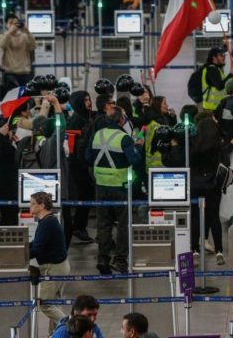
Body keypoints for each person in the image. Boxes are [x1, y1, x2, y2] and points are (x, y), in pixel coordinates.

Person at [162, 115, 233, 266]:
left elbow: (184, 161)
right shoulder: (218, 147)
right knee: (214, 217)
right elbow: (226, 163)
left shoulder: (193, 145)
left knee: (194, 217)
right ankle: (219, 251)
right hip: (213, 186)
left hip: (194, 185)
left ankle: (194, 249)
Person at [86, 106, 144, 274]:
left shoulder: (97, 135)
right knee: (123, 225)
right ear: (121, 120)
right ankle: (120, 260)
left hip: (101, 186)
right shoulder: (124, 138)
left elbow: (88, 157)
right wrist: (138, 146)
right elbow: (134, 159)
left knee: (103, 224)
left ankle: (103, 258)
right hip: (120, 188)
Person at [28, 191, 69, 333]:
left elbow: (37, 249)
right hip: (61, 266)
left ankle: (71, 326)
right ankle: (55, 335)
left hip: (53, 268)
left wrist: (19, 255)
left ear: (42, 205)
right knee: (55, 305)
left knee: (45, 304)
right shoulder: (48, 221)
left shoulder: (47, 223)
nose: (30, 206)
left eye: (33, 203)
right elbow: (36, 243)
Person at [65, 90, 96, 246]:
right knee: (85, 194)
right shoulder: (78, 119)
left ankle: (79, 226)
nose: (89, 102)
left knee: (86, 194)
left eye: (89, 99)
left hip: (82, 163)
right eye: (85, 100)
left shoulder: (86, 117)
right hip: (78, 164)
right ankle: (78, 227)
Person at [0, 14, 36, 99]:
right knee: (10, 100)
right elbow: (2, 44)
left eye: (15, 23)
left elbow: (33, 46)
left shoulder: (24, 36)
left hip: (24, 72)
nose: (13, 25)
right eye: (10, 23)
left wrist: (28, 32)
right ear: (6, 25)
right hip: (10, 73)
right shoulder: (2, 36)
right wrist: (9, 32)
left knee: (25, 99)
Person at [201, 46, 233, 111]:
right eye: (220, 55)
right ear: (214, 58)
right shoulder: (212, 69)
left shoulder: (217, 69)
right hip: (212, 108)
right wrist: (231, 74)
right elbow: (219, 86)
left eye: (223, 55)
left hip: (216, 107)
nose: (223, 57)